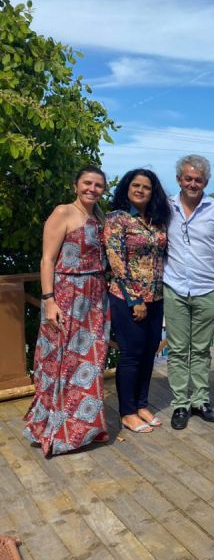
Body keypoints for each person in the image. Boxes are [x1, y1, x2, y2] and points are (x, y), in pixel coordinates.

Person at [24, 166, 111, 455]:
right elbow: (47, 260)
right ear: (76, 185)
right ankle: (56, 430)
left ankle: (85, 428)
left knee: (90, 363)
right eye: (87, 183)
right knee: (61, 362)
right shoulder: (63, 212)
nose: (92, 189)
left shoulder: (99, 216)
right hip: (66, 294)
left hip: (95, 297)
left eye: (98, 185)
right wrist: (49, 300)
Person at [164, 155, 214, 430]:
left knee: (202, 349)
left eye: (198, 180)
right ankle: (180, 403)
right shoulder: (165, 207)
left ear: (206, 182)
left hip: (208, 288)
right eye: (188, 178)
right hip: (174, 286)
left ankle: (200, 400)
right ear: (179, 179)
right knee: (178, 350)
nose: (193, 184)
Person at [104, 169, 170, 434]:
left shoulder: (157, 221)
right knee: (131, 354)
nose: (141, 190)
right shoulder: (117, 219)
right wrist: (135, 299)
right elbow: (116, 262)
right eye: (136, 185)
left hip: (157, 296)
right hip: (127, 298)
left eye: (146, 187)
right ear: (127, 187)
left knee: (149, 350)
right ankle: (127, 412)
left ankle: (142, 404)